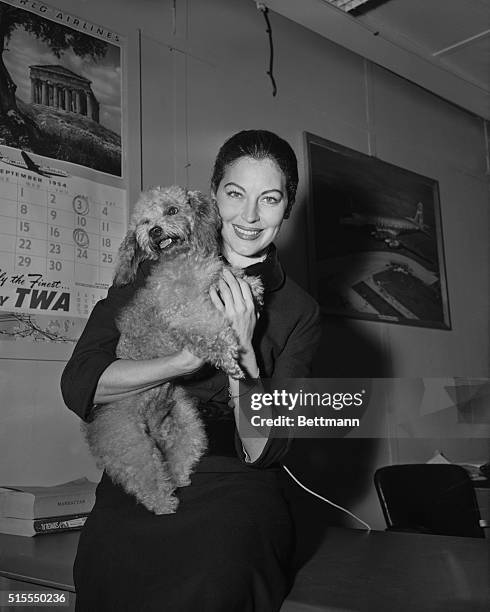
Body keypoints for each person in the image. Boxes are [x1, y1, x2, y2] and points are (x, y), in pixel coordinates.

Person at [61, 129, 321, 612]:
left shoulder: (300, 310)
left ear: (287, 209)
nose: (248, 216)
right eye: (235, 194)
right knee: (105, 575)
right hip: (146, 463)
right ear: (212, 196)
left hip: (236, 484)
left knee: (217, 580)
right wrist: (183, 362)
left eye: (269, 199)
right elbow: (81, 382)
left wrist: (241, 350)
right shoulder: (148, 267)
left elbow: (269, 448)